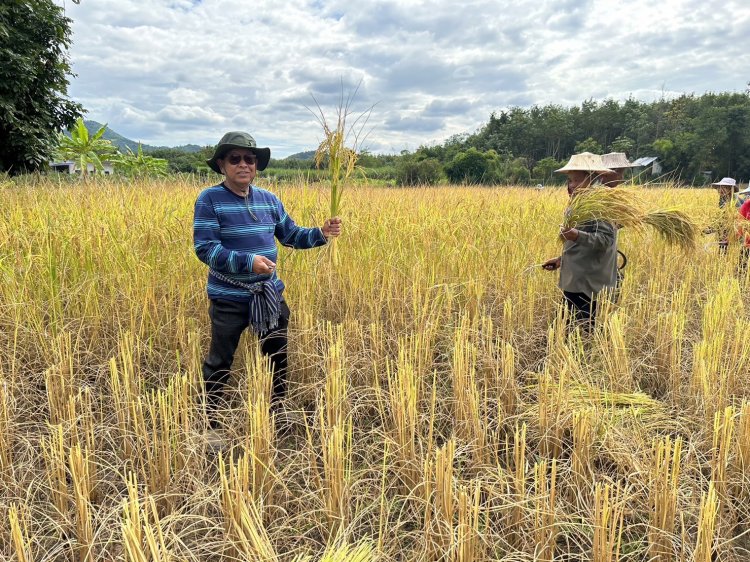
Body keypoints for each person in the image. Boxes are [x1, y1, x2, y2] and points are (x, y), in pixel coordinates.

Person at [193, 131, 342, 430]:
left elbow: (291, 235)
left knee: (277, 355)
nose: (243, 164)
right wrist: (249, 262)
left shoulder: (269, 200)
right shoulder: (210, 199)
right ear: (222, 164)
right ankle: (211, 423)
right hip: (229, 295)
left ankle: (277, 412)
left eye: (250, 159)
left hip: (268, 294)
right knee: (220, 360)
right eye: (235, 159)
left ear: (257, 166)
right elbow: (205, 249)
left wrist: (321, 233)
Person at [542, 152, 618, 329]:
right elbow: (581, 242)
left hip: (588, 285)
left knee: (581, 333)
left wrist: (577, 235)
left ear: (592, 178)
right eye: (570, 180)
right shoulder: (579, 204)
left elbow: (607, 240)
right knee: (566, 329)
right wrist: (562, 260)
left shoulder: (600, 205)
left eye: (577, 180)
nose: (572, 185)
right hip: (575, 279)